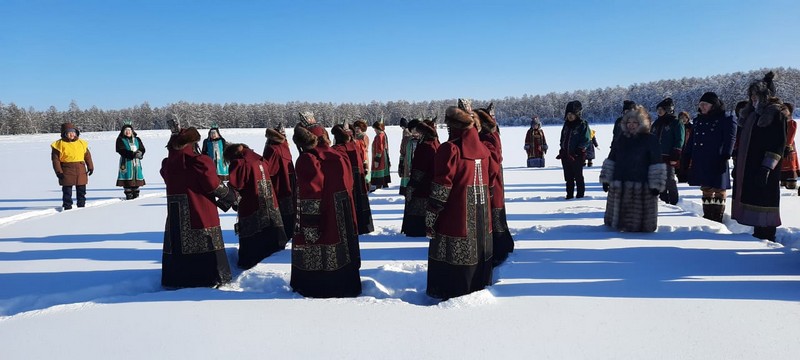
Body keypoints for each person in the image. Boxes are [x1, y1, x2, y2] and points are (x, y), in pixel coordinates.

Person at [426, 99, 495, 299]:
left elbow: (441, 187)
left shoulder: (450, 149)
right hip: (482, 215)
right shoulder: (483, 150)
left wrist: (431, 217)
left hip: (456, 213)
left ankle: (450, 292)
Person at [291, 113, 361, 298]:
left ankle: (316, 287)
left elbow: (311, 195)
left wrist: (309, 225)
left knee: (320, 252)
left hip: (322, 215)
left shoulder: (309, 159)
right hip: (343, 217)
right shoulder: (339, 155)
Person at [160, 127, 235, 288]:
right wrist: (231, 196)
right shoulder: (199, 161)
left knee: (178, 244)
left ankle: (178, 278)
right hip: (200, 208)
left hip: (175, 214)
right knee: (205, 243)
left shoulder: (168, 163)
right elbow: (212, 184)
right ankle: (211, 277)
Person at [731, 71, 787, 242]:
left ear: (765, 96)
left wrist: (767, 167)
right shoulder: (752, 115)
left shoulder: (775, 113)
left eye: (756, 95)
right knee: (754, 199)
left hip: (765, 168)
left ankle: (768, 236)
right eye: (751, 95)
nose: (753, 98)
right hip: (750, 166)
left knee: (765, 200)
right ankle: (758, 234)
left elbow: (779, 142)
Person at [600, 105, 666, 232]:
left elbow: (656, 162)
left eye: (635, 122)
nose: (631, 125)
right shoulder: (621, 138)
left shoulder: (650, 139)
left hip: (641, 183)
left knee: (638, 225)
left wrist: (656, 185)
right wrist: (606, 178)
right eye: (628, 122)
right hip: (619, 181)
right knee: (616, 222)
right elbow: (612, 157)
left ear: (642, 123)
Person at [223, 143, 288, 269]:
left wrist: (226, 201)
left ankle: (250, 262)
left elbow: (236, 186)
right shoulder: (260, 159)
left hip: (252, 203)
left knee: (254, 238)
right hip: (269, 202)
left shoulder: (240, 163)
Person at [681, 92, 737, 222]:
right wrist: (686, 156)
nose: (702, 107)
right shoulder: (698, 120)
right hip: (701, 159)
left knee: (718, 188)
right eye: (701, 104)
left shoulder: (726, 118)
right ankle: (708, 217)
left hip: (718, 158)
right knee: (706, 188)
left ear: (714, 105)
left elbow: (730, 139)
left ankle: (717, 217)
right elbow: (692, 140)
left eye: (705, 104)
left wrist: (725, 156)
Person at [475, 103, 513, 266]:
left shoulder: (489, 135)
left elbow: (494, 157)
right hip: (493, 176)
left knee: (494, 211)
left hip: (493, 178)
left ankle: (499, 248)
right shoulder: (486, 134)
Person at [331, 122, 375, 235]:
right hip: (357, 178)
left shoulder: (337, 149)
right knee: (358, 200)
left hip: (346, 180)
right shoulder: (354, 145)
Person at [401, 120, 439, 237]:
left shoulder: (425, 146)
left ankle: (417, 230)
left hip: (423, 183)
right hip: (430, 182)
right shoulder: (434, 143)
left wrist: (412, 185)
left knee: (418, 207)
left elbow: (419, 167)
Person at [262, 124, 297, 241]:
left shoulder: (272, 149)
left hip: (279, 182)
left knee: (280, 207)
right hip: (287, 181)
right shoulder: (283, 146)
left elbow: (266, 167)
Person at [51, 122, 94, 210]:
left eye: (73, 132)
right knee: (67, 191)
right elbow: (55, 160)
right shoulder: (59, 145)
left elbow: (87, 156)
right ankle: (67, 206)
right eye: (69, 132)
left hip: (80, 169)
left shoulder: (82, 143)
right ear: (65, 133)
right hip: (66, 170)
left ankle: (81, 206)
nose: (72, 134)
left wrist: (90, 166)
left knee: (81, 190)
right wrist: (59, 172)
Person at [651, 97, 684, 205]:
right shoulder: (656, 123)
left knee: (669, 180)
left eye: (662, 109)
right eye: (658, 109)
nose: (659, 111)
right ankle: (664, 201)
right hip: (656, 156)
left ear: (668, 110)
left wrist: (676, 154)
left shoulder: (676, 122)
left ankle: (674, 202)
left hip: (669, 156)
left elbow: (680, 139)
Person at [557, 101, 592, 199]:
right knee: (568, 177)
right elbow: (562, 138)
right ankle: (569, 195)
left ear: (577, 114)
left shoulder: (582, 124)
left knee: (578, 176)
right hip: (566, 155)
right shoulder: (566, 125)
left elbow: (586, 139)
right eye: (568, 114)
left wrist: (579, 150)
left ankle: (580, 196)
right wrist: (562, 149)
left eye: (572, 114)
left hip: (577, 156)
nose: (570, 116)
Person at [115, 122, 146, 200]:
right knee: (127, 176)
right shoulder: (120, 139)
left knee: (136, 175)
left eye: (129, 130)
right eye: (126, 130)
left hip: (136, 162)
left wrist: (140, 153)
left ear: (132, 131)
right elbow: (121, 150)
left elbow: (142, 148)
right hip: (126, 161)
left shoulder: (137, 139)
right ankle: (128, 193)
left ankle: (136, 192)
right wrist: (132, 154)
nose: (128, 132)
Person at [399, 118, 420, 196]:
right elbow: (402, 152)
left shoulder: (424, 141)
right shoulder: (407, 140)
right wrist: (401, 164)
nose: (415, 131)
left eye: (416, 129)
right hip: (407, 168)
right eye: (413, 129)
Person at [779, 103, 798, 189]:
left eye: (785, 109)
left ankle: (791, 183)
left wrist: (788, 145)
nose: (783, 111)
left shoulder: (791, 123)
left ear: (789, 111)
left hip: (788, 147)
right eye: (781, 109)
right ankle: (782, 182)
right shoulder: (780, 121)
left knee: (789, 164)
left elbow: (791, 134)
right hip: (780, 146)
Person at [370, 120, 391, 190]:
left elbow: (380, 148)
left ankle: (378, 188)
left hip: (380, 157)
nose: (374, 131)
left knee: (379, 172)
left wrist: (377, 159)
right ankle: (384, 186)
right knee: (383, 172)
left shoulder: (379, 136)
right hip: (383, 156)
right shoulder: (382, 135)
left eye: (375, 129)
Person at [676, 111, 693, 183]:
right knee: (680, 167)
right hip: (680, 149)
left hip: (689, 148)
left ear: (687, 118)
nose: (683, 119)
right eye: (681, 117)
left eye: (684, 117)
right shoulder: (677, 127)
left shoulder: (692, 127)